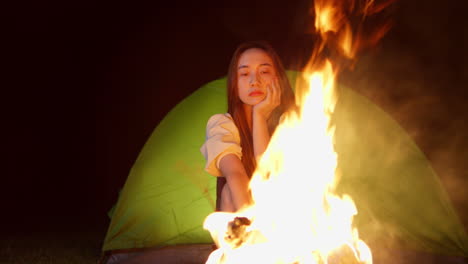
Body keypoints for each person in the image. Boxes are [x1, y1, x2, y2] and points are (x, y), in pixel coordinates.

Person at [200, 41, 296, 212]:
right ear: (234, 84)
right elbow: (235, 174)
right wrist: (253, 226)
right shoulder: (221, 125)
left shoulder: (293, 121)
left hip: (284, 215)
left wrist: (259, 116)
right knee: (230, 190)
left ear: (278, 78)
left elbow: (269, 174)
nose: (254, 81)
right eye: (244, 74)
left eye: (264, 71)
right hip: (242, 221)